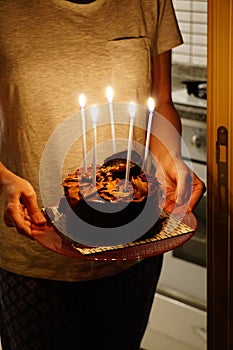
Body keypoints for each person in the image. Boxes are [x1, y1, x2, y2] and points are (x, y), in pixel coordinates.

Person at [0, 0, 205, 349]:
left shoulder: (150, 2)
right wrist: (2, 179)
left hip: (134, 244)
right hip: (33, 252)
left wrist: (168, 154)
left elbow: (161, 102)